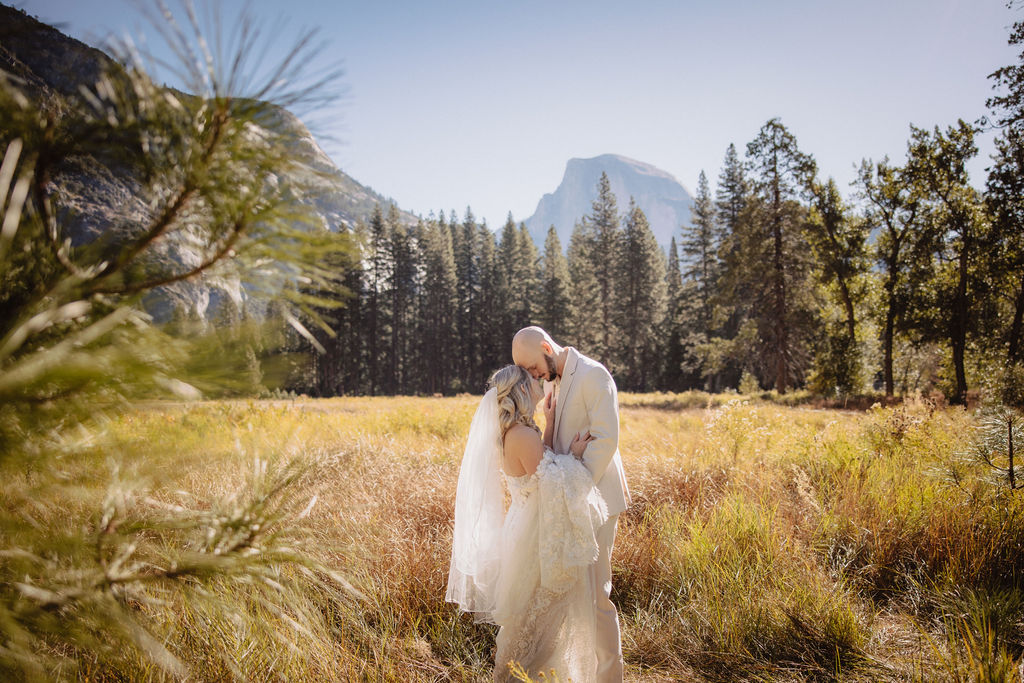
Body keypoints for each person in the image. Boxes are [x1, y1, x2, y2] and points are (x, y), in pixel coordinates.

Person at [446, 364, 608, 682]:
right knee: (531, 618)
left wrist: (548, 424)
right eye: (533, 380)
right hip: (532, 535)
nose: (540, 381)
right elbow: (550, 481)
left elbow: (540, 461)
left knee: (536, 617)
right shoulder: (519, 435)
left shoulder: (522, 431)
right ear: (521, 390)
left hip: (529, 523)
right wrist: (575, 456)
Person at [512, 326, 631, 682]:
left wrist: (573, 486)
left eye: (532, 366)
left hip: (594, 500)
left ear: (547, 347)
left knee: (596, 598)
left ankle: (610, 678)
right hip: (563, 500)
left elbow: (606, 440)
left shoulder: (595, 375)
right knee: (569, 599)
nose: (532, 376)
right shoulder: (550, 380)